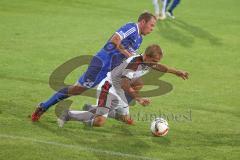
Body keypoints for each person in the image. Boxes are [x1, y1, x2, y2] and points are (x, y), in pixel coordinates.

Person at [31, 12, 157, 121]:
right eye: (151, 25)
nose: (152, 29)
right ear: (143, 22)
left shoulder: (139, 38)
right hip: (102, 64)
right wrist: (127, 53)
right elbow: (114, 40)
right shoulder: (132, 28)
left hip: (112, 70)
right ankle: (44, 106)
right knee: (77, 89)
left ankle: (121, 114)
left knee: (136, 83)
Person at [57, 44, 189, 128]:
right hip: (109, 88)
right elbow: (125, 84)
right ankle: (68, 114)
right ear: (147, 56)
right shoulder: (134, 63)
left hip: (119, 91)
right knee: (99, 122)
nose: (155, 64)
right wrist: (138, 98)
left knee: (126, 119)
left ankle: (94, 109)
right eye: (153, 61)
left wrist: (177, 72)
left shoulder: (148, 62)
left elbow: (160, 67)